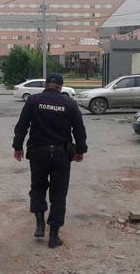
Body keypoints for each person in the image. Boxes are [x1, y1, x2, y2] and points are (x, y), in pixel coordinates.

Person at [12, 73, 87, 248]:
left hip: (38, 153)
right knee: (59, 193)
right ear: (61, 86)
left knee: (38, 187)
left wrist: (17, 146)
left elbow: (22, 126)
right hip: (61, 154)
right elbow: (79, 130)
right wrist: (80, 150)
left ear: (46, 85)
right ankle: (54, 236)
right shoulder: (69, 104)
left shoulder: (33, 101)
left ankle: (39, 224)